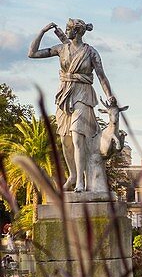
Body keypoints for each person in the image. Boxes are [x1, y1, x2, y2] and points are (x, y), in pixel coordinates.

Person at [28, 19, 116, 193]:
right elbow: (32, 53)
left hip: (83, 94)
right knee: (65, 141)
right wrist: (42, 31)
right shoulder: (61, 49)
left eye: (69, 29)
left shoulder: (91, 52)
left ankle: (81, 183)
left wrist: (109, 95)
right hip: (65, 95)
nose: (66, 31)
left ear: (76, 32)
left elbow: (101, 77)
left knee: (77, 138)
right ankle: (73, 176)